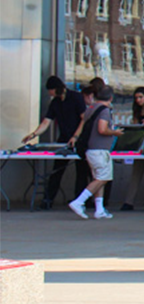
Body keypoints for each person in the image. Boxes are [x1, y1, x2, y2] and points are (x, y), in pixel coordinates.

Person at [25, 75, 86, 210]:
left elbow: (84, 118)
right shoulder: (55, 103)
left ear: (56, 89)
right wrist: (34, 134)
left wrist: (75, 136)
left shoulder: (76, 97)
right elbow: (47, 121)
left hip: (79, 138)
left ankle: (79, 200)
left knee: (81, 171)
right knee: (56, 170)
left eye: (50, 90)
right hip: (64, 138)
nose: (49, 93)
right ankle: (48, 199)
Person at [67, 84, 121, 219]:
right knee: (103, 178)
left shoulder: (91, 108)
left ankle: (99, 209)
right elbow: (102, 129)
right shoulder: (104, 110)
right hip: (100, 150)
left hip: (90, 149)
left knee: (99, 178)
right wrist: (115, 132)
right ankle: (79, 202)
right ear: (111, 97)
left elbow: (83, 124)